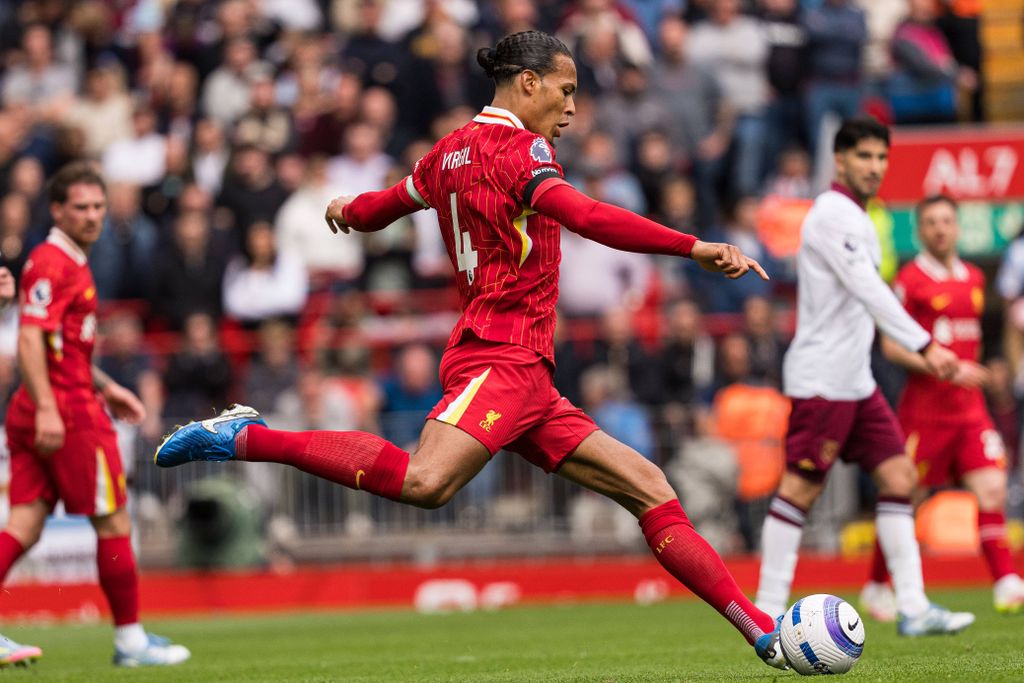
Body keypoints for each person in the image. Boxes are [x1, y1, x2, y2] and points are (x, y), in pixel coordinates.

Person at [157, 30, 791, 670]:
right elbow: (587, 216)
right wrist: (692, 247)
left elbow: (386, 205)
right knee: (426, 481)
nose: (572, 108)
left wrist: (349, 208)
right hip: (502, 356)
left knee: (650, 488)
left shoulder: (447, 152)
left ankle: (763, 633)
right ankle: (246, 438)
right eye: (566, 91)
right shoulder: (525, 151)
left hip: (523, 372)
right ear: (528, 83)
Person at [754, 117, 975, 636]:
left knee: (900, 478)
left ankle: (914, 607)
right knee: (800, 489)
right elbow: (868, 289)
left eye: (881, 158)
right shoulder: (833, 214)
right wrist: (925, 343)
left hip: (855, 379)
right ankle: (765, 609)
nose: (875, 167)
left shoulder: (860, 216)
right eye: (865, 157)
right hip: (822, 376)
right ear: (841, 161)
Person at [0, 163, 190, 667]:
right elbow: (30, 338)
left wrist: (108, 387)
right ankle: (130, 641)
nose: (91, 216)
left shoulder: (72, 260)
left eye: (98, 206)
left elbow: (65, 346)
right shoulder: (51, 262)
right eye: (79, 207)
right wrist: (48, 406)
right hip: (64, 411)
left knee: (24, 522)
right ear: (57, 210)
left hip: (62, 400)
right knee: (113, 521)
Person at [859, 195, 1024, 619]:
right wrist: (941, 366)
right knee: (905, 497)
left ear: (957, 227)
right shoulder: (911, 280)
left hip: (969, 410)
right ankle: (877, 585)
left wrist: (987, 368)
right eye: (931, 222)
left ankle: (1006, 581)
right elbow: (892, 346)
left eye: (946, 220)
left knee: (991, 487)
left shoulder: (972, 277)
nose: (940, 228)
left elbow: (973, 340)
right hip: (924, 411)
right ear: (919, 230)